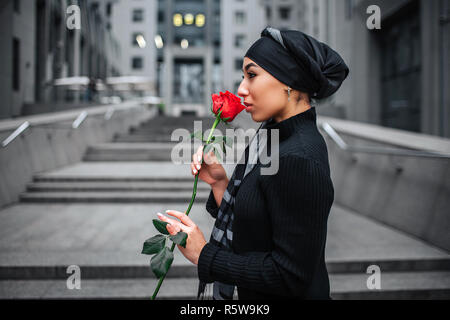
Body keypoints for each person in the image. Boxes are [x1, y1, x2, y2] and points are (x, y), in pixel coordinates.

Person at [157, 26, 349, 300]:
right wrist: (220, 184)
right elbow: (260, 228)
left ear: (288, 80)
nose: (241, 89)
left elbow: (289, 276)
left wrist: (204, 256)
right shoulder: (273, 137)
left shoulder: (299, 157)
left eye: (252, 75)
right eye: (242, 76)